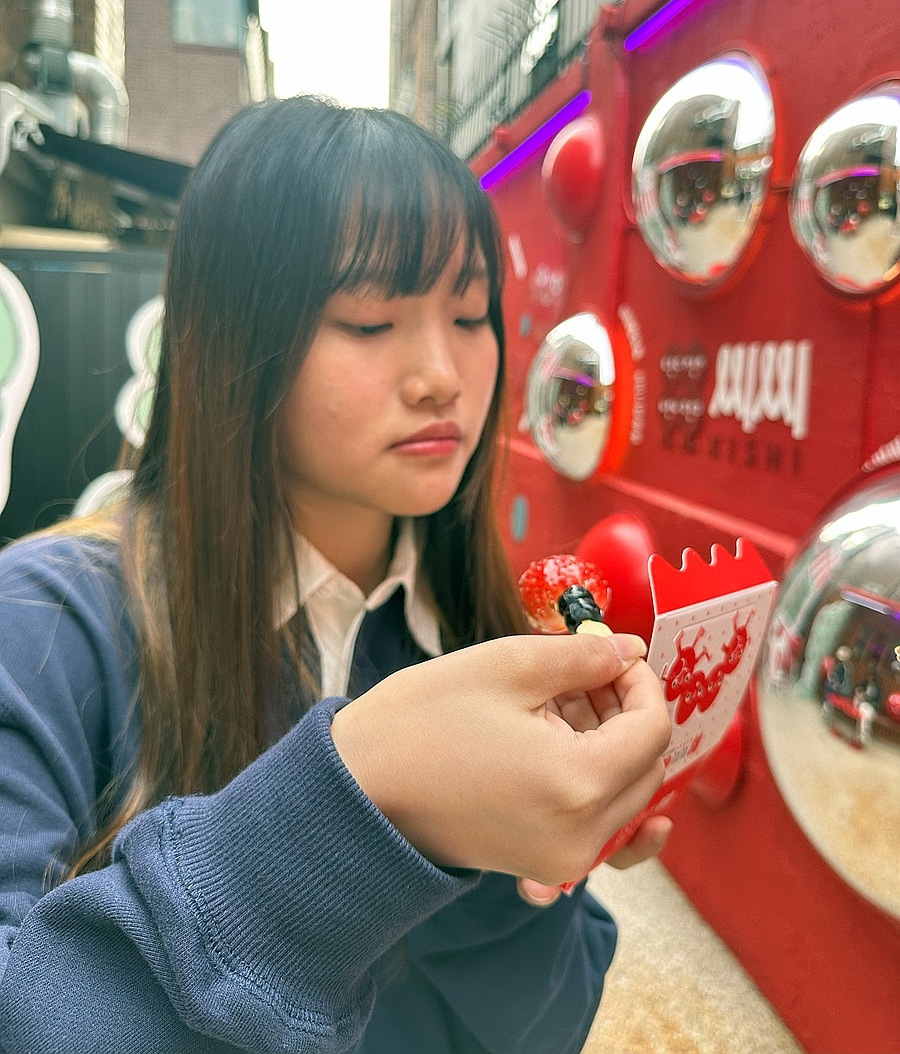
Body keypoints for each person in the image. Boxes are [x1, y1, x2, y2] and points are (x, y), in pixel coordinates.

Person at [0, 95, 671, 1054]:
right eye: (369, 320)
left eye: (470, 313)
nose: (442, 375)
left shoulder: (485, 635)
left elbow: (544, 1026)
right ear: (233, 336)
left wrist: (528, 865)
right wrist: (361, 804)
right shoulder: (42, 624)